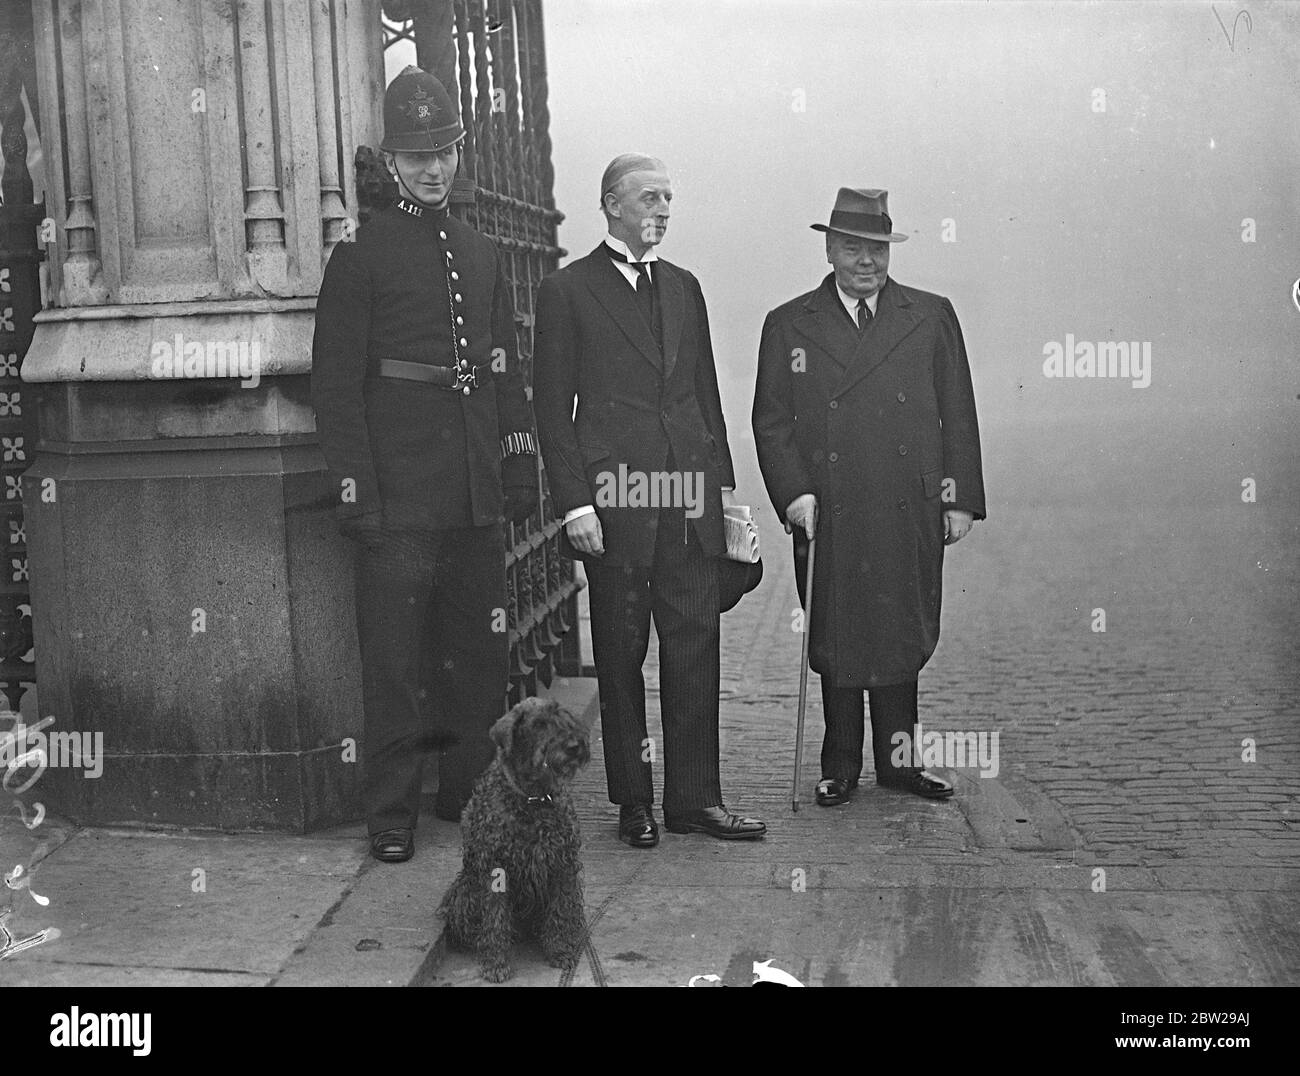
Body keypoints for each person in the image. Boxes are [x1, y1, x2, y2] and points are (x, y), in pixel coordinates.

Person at [310, 67, 538, 863]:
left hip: (473, 490)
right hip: (399, 495)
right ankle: (391, 815)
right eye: (417, 156)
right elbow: (336, 387)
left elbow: (504, 370)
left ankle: (469, 795)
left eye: (443, 152)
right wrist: (358, 494)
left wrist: (516, 463)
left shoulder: (481, 252)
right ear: (390, 162)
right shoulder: (360, 253)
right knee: (395, 663)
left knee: (477, 655)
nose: (433, 169)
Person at [533, 154, 765, 847]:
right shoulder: (568, 290)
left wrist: (722, 490)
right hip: (616, 502)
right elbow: (552, 409)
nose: (662, 210)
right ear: (611, 204)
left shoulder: (685, 287)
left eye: (668, 198)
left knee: (695, 649)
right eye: (648, 198)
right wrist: (575, 505)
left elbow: (704, 395)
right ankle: (634, 802)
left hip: (687, 499)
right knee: (621, 655)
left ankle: (695, 800)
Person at [753, 188, 986, 806]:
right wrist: (794, 494)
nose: (866, 261)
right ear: (829, 250)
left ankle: (900, 764)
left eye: (877, 249)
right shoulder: (790, 324)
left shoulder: (930, 315)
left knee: (900, 629)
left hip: (908, 503)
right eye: (853, 248)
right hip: (830, 509)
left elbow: (958, 411)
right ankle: (840, 765)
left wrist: (958, 498)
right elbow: (771, 422)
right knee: (839, 633)